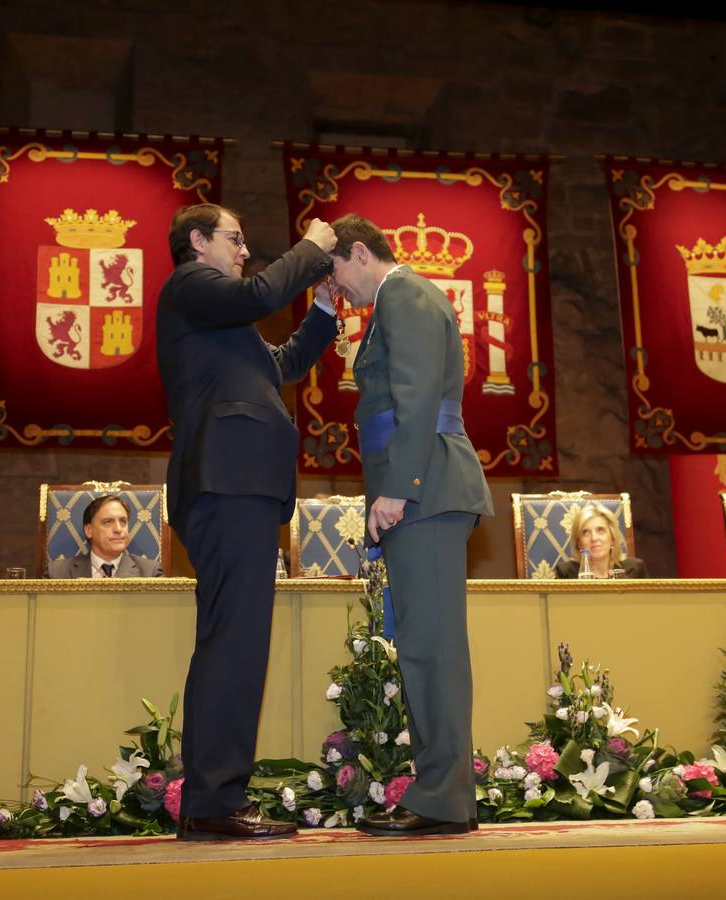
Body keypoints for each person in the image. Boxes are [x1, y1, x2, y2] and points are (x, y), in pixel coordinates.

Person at [157, 203, 337, 840]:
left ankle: (212, 799)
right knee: (236, 643)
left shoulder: (218, 319)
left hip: (240, 485)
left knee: (234, 640)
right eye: (235, 239)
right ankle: (213, 802)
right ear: (198, 241)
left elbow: (281, 365)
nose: (243, 250)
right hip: (227, 483)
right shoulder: (191, 286)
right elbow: (261, 293)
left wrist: (324, 312)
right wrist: (312, 247)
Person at [327, 213, 494, 837]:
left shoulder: (405, 292)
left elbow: (419, 395)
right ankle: (440, 792)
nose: (337, 287)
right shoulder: (397, 298)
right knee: (423, 645)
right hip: (423, 490)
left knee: (432, 649)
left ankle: (444, 799)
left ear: (360, 252)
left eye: (336, 270)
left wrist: (398, 489)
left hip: (426, 490)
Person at [46, 495, 160, 577]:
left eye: (123, 521)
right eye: (108, 522)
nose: (118, 529)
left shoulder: (150, 573)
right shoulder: (56, 573)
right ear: (89, 530)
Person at [553, 503, 648, 579]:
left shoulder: (635, 569)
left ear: (612, 538)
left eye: (600, 530)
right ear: (579, 543)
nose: (594, 538)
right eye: (586, 533)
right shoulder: (565, 574)